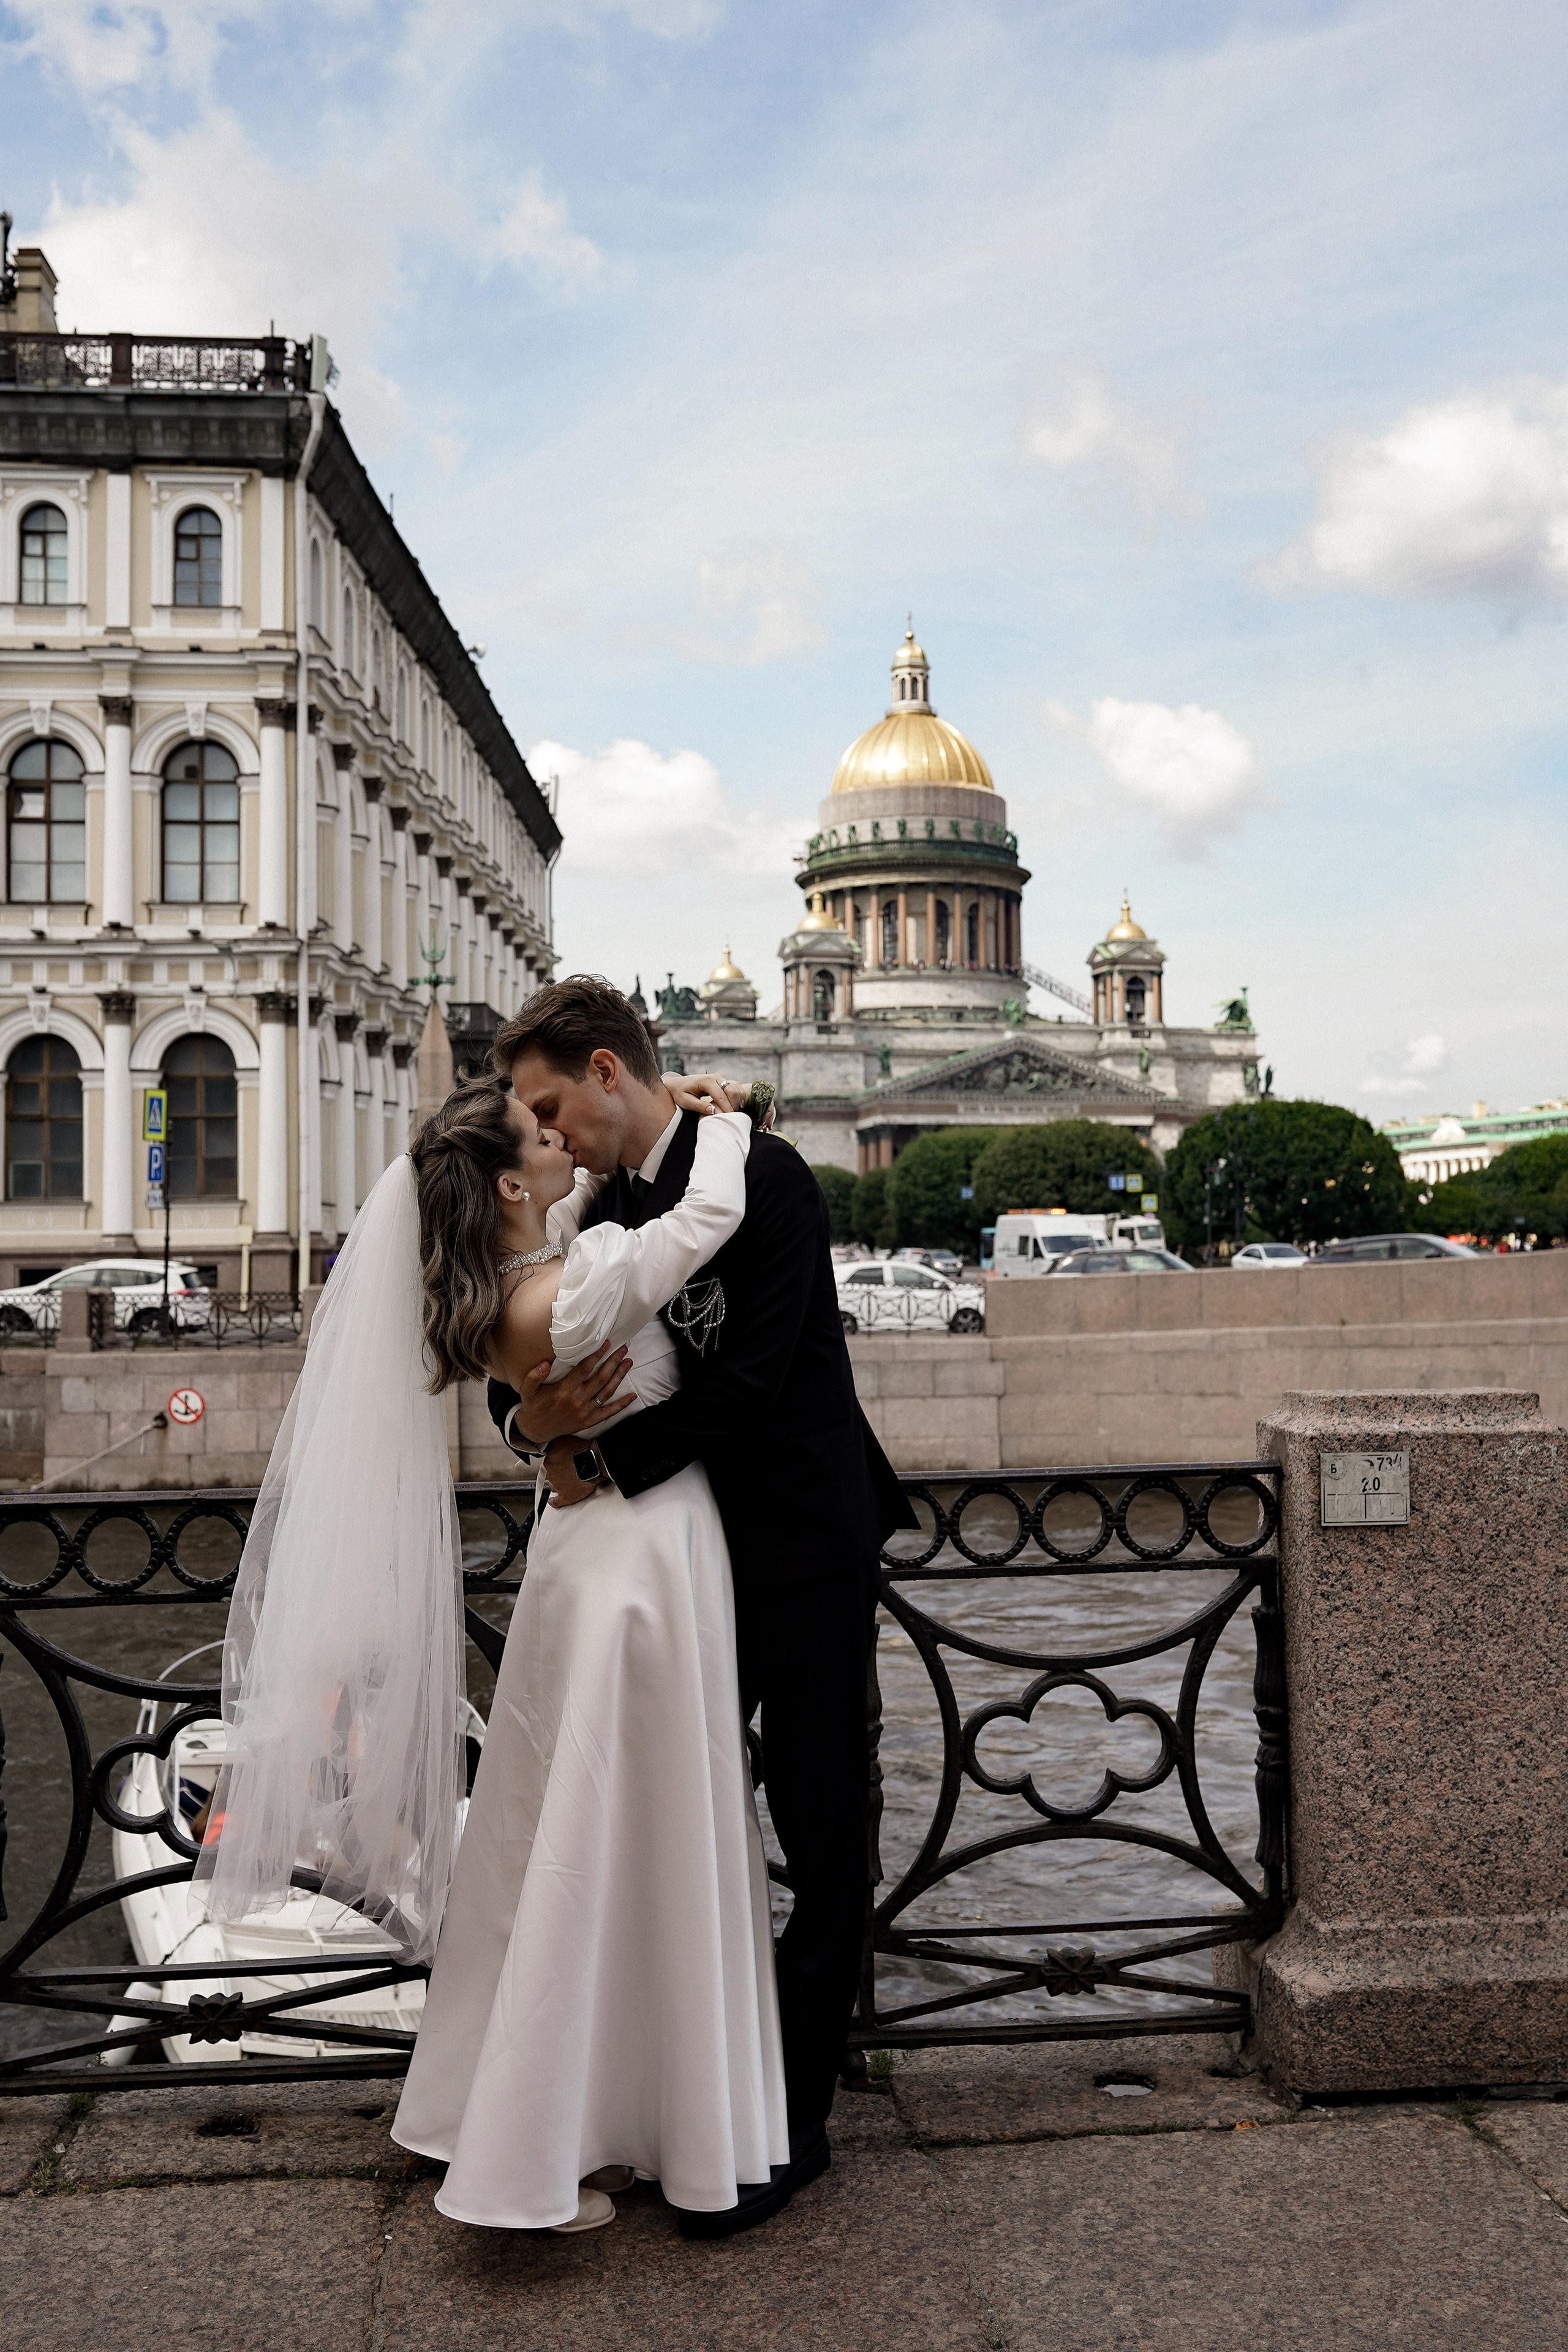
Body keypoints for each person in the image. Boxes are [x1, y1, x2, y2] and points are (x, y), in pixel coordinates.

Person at [202, 1063, 790, 2237]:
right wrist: (723, 1126)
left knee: (558, 1832)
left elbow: (569, 1245)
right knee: (621, 1830)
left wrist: (535, 1430)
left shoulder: (525, 1275)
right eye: (540, 1130)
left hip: (588, 1555)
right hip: (639, 1564)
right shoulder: (579, 1287)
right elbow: (709, 1216)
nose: (563, 1137)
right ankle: (556, 2137)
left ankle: (552, 2105)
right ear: (513, 1181)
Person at [486, 974, 917, 2238]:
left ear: (611, 1074)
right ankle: (669, 2101)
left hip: (799, 1548)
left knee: (822, 1822)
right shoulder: (613, 1203)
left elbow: (745, 1386)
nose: (549, 1133)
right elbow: (537, 1350)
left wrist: (585, 1464)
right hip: (676, 1565)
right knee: (666, 1828)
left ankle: (792, 2121)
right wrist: (533, 1425)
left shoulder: (768, 1178)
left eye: (554, 1103)